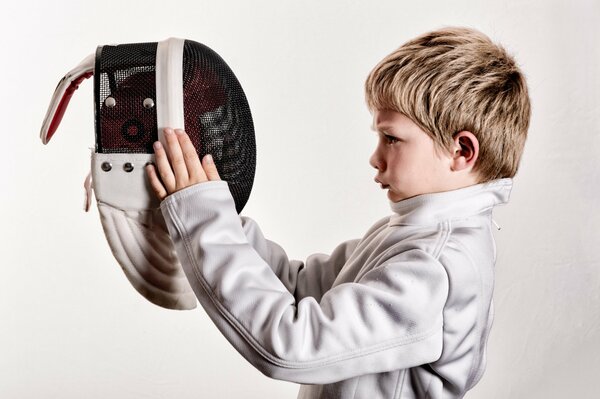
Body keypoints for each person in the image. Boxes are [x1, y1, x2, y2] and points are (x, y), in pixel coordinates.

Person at [145, 26, 530, 399]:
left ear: (462, 152)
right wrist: (210, 214)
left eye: (392, 138)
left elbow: (292, 344)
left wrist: (201, 219)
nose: (375, 157)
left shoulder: (436, 265)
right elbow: (297, 287)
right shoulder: (408, 234)